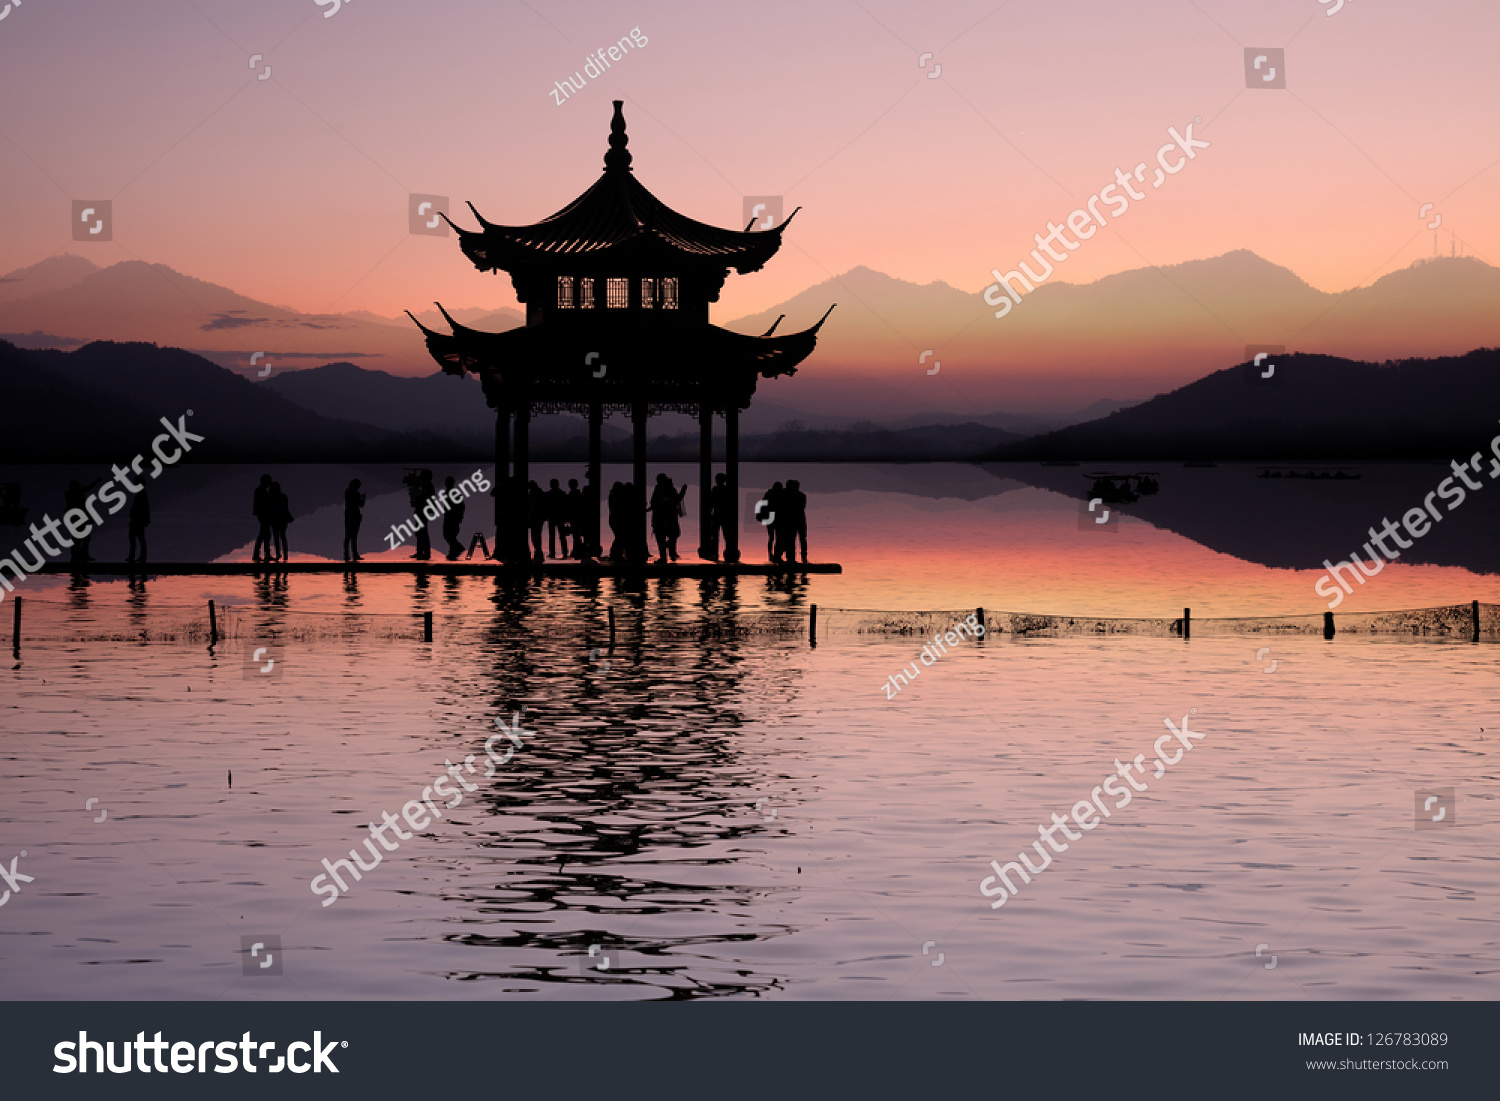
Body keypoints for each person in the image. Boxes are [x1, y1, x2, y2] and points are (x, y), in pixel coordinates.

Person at [647, 473, 689, 562]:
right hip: (669, 516)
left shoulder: (660, 489)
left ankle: (665, 556)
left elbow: (654, 502)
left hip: (661, 517)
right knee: (672, 535)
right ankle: (671, 553)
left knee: (662, 537)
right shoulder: (669, 489)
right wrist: (683, 491)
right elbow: (677, 499)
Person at [64, 478, 103, 563]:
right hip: (77, 518)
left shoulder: (74, 494)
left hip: (83, 518)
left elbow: (86, 489)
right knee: (77, 538)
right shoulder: (71, 494)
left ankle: (83, 554)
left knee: (85, 538)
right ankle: (75, 555)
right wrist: (95, 482)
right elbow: (87, 489)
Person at [410, 469, 435, 561]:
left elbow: (422, 496)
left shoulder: (427, 486)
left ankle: (425, 553)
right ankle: (421, 552)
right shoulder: (428, 485)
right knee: (420, 532)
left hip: (422, 510)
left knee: (422, 532)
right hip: (422, 510)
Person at [442, 475, 466, 560]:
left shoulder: (452, 492)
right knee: (450, 535)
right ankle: (453, 552)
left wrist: (459, 516)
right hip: (451, 517)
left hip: (452, 517)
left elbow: (460, 506)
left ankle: (457, 548)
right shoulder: (451, 492)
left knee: (449, 535)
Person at [785, 478, 809, 563]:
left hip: (792, 520)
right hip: (801, 519)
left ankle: (791, 558)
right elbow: (803, 507)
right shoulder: (802, 496)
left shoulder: (788, 496)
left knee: (791, 539)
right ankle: (804, 557)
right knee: (802, 539)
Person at [708, 472, 732, 560]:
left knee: (715, 536)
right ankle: (728, 552)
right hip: (725, 515)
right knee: (727, 535)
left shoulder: (715, 490)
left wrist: (710, 513)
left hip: (717, 515)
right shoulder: (727, 490)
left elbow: (711, 502)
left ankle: (715, 553)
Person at [759, 481, 784, 561]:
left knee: (771, 537)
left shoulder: (768, 494)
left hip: (769, 517)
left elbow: (762, 505)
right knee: (778, 537)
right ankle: (777, 555)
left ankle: (770, 555)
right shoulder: (780, 495)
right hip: (777, 517)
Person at [544, 478, 569, 558]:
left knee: (552, 536)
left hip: (552, 517)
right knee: (562, 535)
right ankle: (564, 552)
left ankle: (552, 553)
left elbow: (546, 506)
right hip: (560, 517)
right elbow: (566, 506)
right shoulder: (562, 494)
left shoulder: (548, 494)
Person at [252, 474, 274, 562]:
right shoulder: (261, 491)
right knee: (264, 534)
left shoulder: (260, 490)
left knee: (264, 534)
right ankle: (261, 554)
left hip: (262, 514)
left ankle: (260, 554)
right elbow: (265, 503)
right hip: (263, 515)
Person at [126, 485, 150, 564]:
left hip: (137, 520)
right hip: (138, 520)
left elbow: (143, 508)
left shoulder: (141, 494)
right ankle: (139, 556)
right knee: (139, 538)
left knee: (135, 538)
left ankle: (135, 556)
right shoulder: (142, 493)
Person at [343, 478, 365, 562]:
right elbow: (361, 505)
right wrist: (363, 498)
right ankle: (354, 555)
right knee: (353, 536)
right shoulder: (356, 493)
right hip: (355, 515)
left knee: (348, 536)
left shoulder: (347, 492)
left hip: (348, 515)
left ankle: (347, 555)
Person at [270, 481, 292, 561]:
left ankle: (278, 554)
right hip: (283, 519)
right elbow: (286, 508)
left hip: (275, 519)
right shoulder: (284, 497)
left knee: (276, 537)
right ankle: (285, 554)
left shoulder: (271, 498)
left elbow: (271, 509)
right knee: (283, 537)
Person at [564, 478, 584, 559]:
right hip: (578, 517)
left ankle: (577, 550)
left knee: (576, 535)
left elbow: (568, 507)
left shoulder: (570, 495)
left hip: (574, 517)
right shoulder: (579, 495)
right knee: (577, 535)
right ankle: (578, 550)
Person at [606, 481, 625, 560]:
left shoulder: (612, 496)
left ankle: (615, 554)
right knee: (620, 537)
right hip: (617, 519)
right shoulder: (617, 496)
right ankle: (616, 554)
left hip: (613, 519)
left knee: (619, 537)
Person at [527, 480, 545, 563]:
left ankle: (538, 553)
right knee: (536, 536)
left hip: (536, 518)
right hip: (537, 518)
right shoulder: (539, 494)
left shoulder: (536, 495)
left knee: (535, 536)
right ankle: (538, 552)